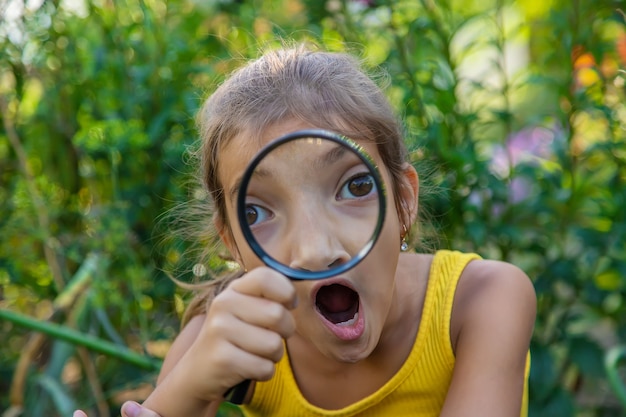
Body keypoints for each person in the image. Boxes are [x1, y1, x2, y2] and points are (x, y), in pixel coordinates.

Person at [75, 42, 536, 417]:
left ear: (404, 200)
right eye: (257, 213)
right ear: (233, 242)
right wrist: (187, 390)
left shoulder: (483, 300)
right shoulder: (220, 336)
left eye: (355, 186)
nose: (315, 251)